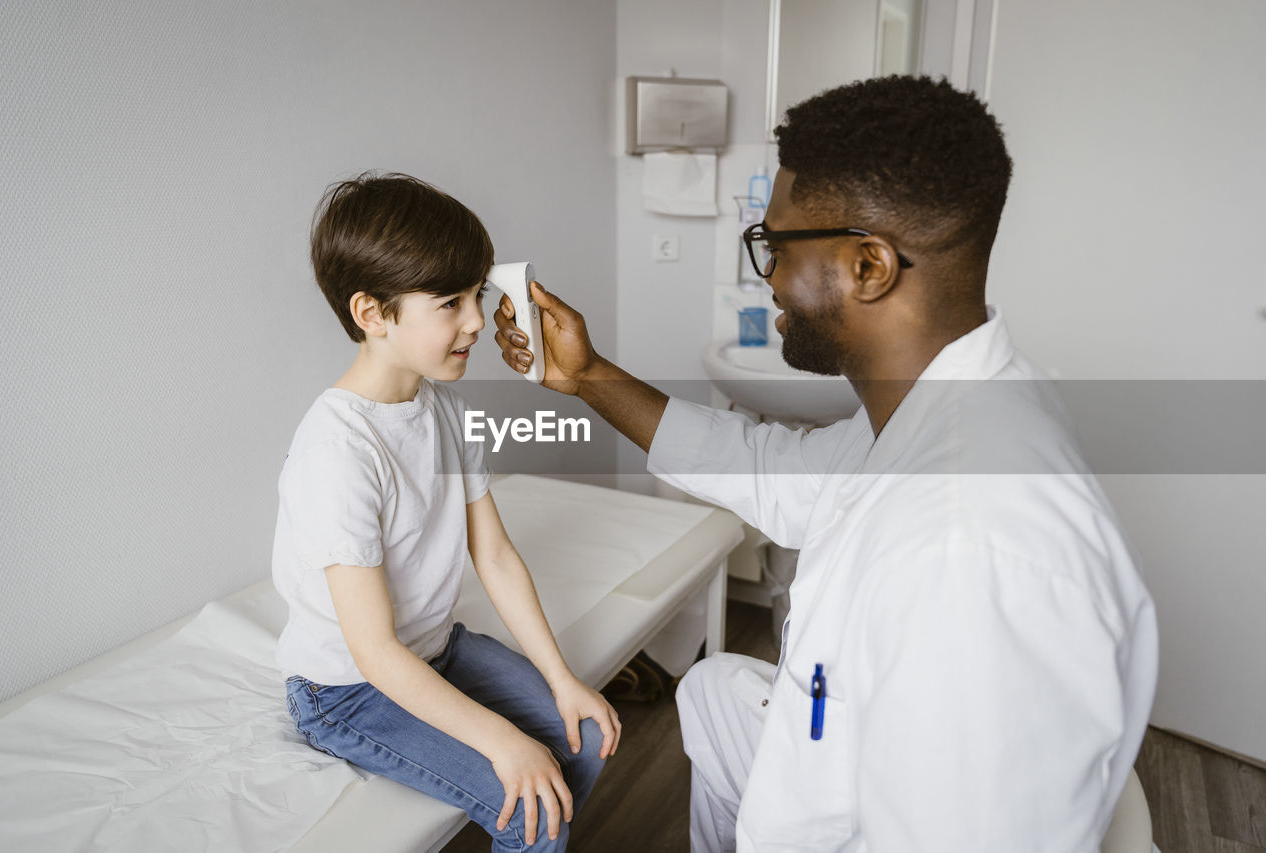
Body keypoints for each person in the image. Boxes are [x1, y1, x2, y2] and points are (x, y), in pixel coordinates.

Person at [495, 77, 1157, 851]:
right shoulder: (942, 405)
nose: (766, 275)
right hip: (847, 763)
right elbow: (775, 470)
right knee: (713, 691)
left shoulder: (969, 548)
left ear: (869, 266)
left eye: (775, 247)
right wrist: (587, 377)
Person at [272, 172, 620, 852]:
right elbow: (373, 653)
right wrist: (502, 740)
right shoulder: (337, 451)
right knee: (532, 807)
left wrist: (563, 678)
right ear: (372, 313)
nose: (474, 321)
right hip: (347, 690)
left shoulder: (442, 408)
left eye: (477, 295)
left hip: (435, 652)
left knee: (584, 742)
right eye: (449, 302)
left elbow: (493, 554)